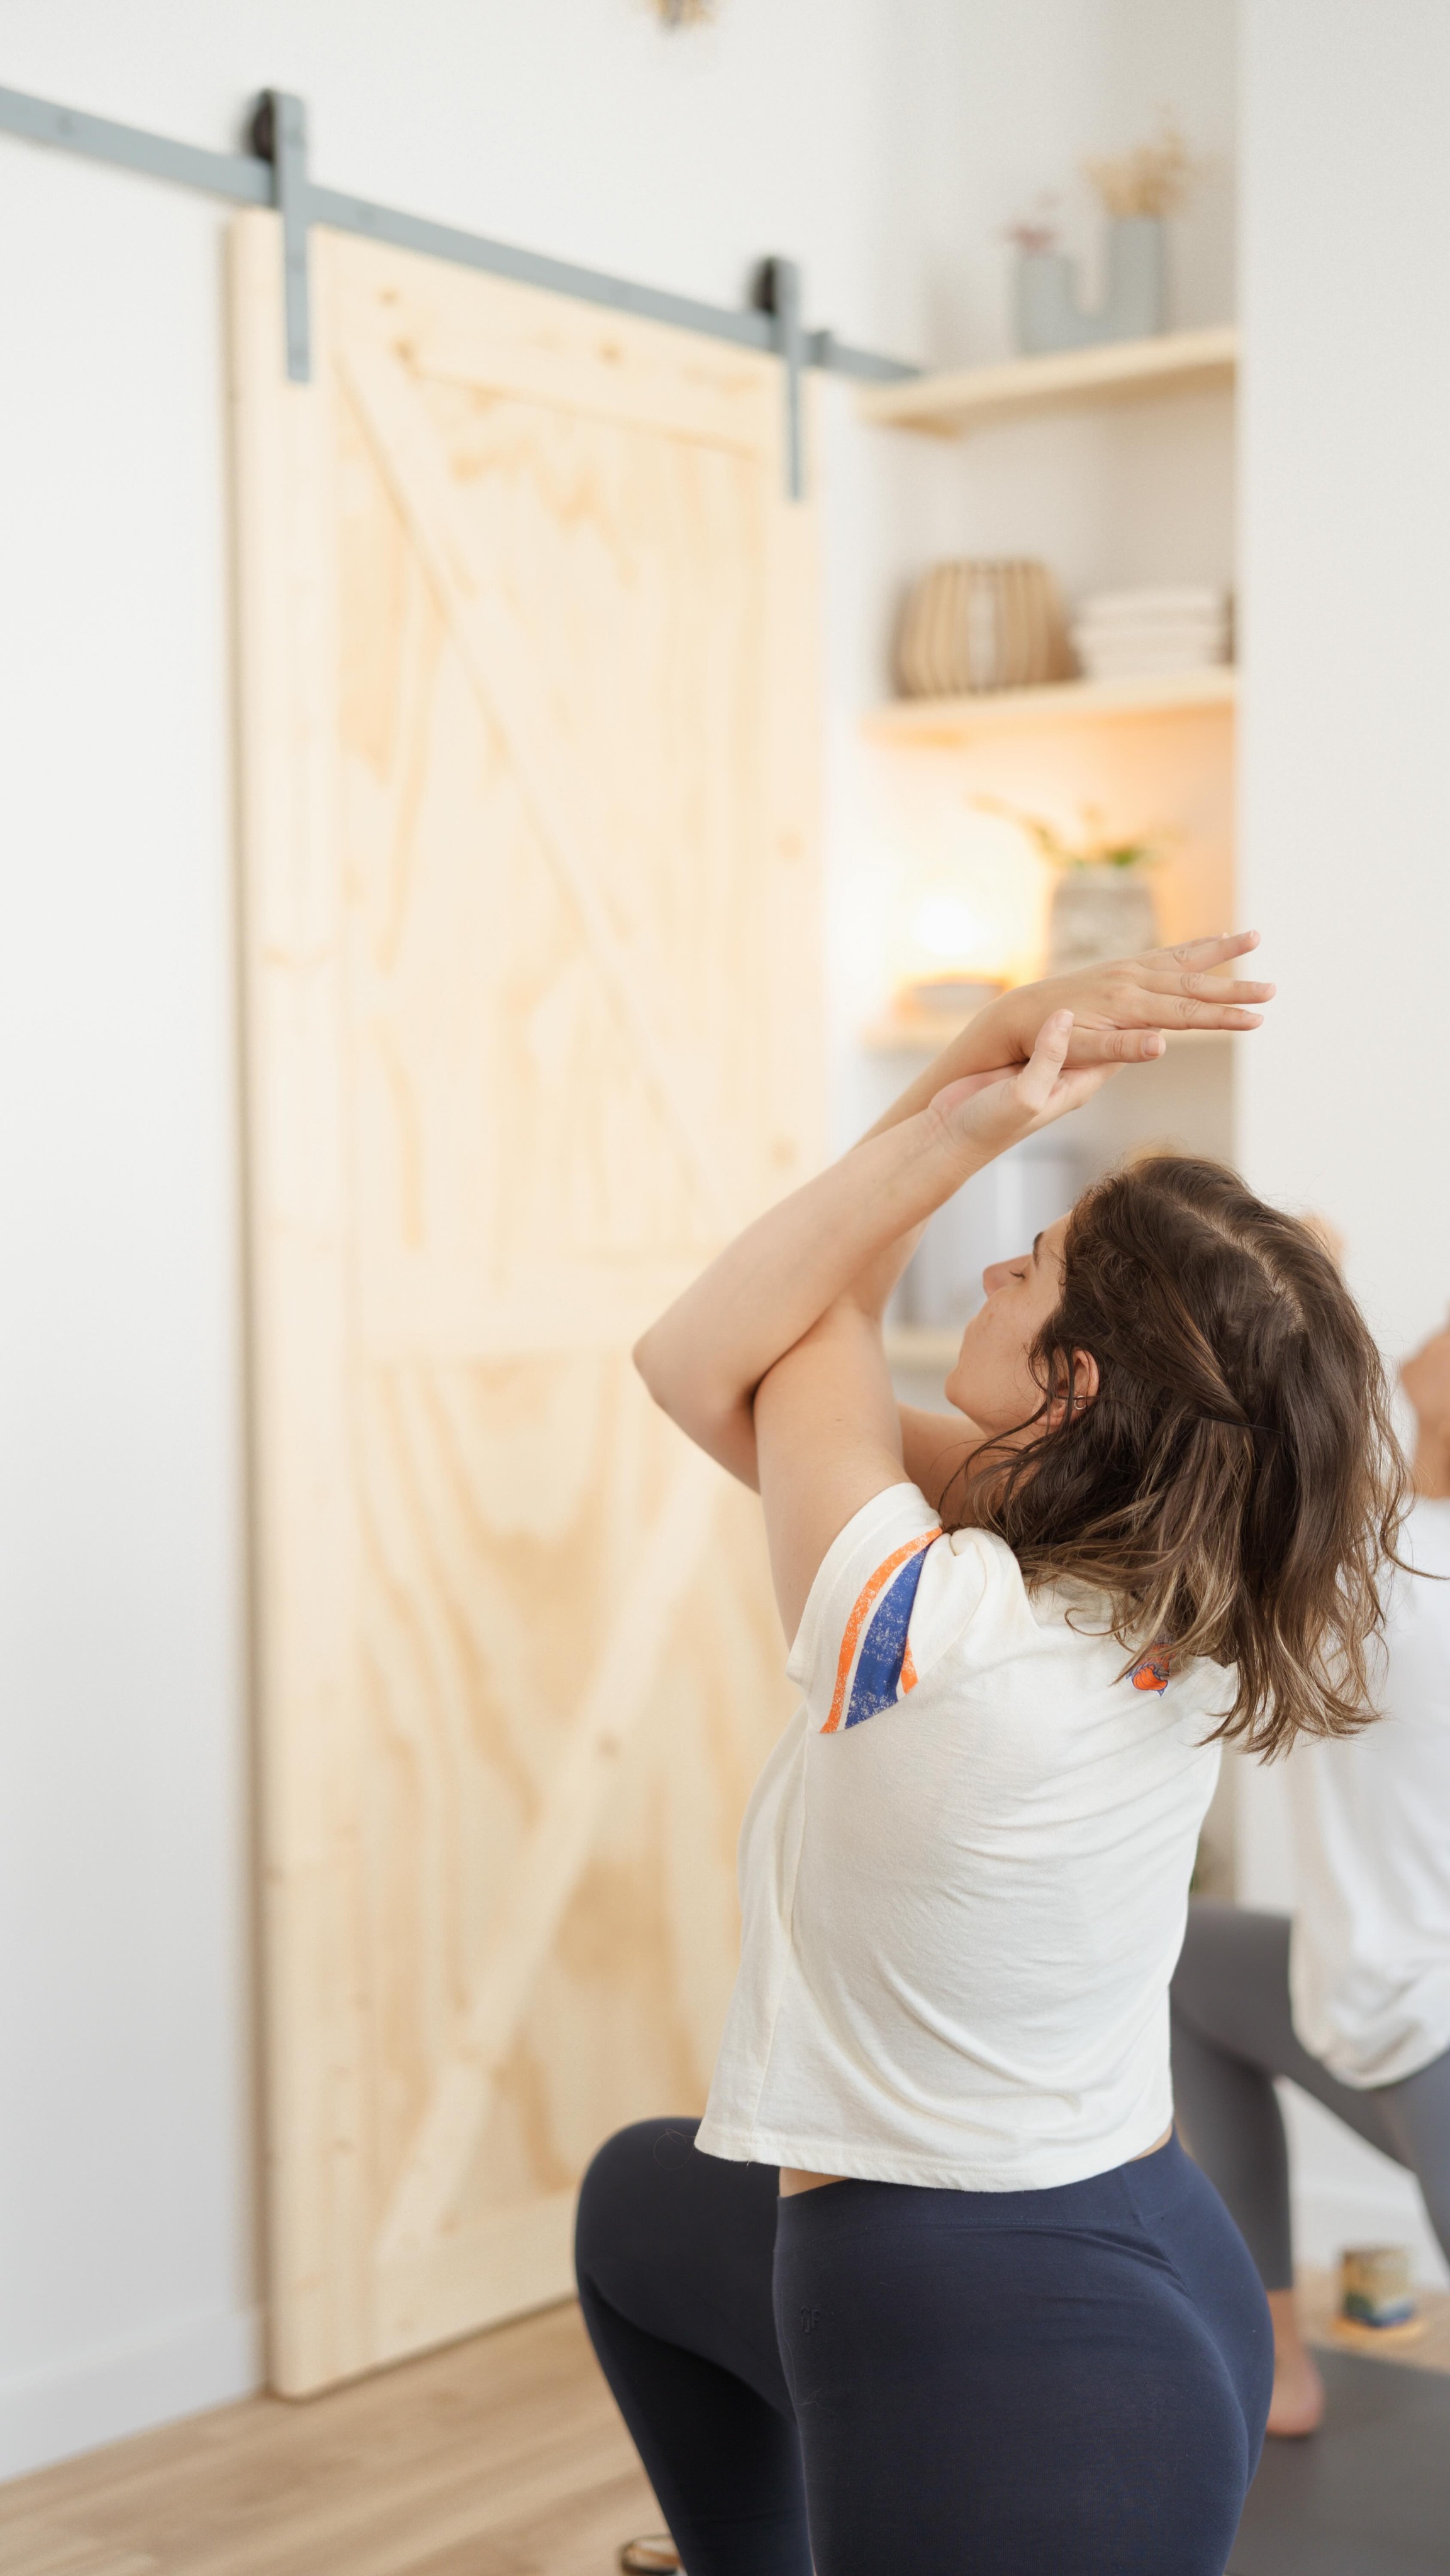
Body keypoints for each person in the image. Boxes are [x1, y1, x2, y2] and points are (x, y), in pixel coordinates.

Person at [575, 934, 1407, 2576]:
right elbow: (709, 1366)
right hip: (1132, 2246)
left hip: (1019, 2351)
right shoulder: (1160, 1569)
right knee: (642, 2209)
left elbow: (783, 1319)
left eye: (1023, 1266)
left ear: (1076, 1381)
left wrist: (975, 1088)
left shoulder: (931, 1629)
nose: (988, 1275)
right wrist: (973, 1058)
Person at [1172, 1312, 1450, 2438]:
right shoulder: (1395, 1561)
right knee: (1188, 1963)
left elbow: (1245, 1482)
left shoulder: (1400, 1581)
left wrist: (1296, 1286)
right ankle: (1275, 2367)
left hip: (1428, 2037)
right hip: (1390, 2017)